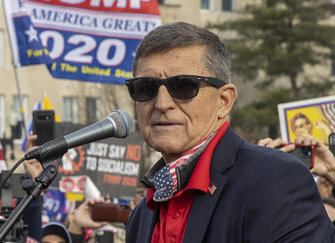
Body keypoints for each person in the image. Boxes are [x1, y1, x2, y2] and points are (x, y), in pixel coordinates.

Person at [125, 21, 335, 242]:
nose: (161, 103)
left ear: (224, 101)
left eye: (183, 86)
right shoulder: (142, 215)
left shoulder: (275, 179)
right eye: (145, 88)